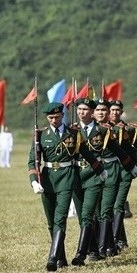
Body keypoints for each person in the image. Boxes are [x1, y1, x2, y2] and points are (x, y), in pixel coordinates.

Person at [27, 102, 107, 272]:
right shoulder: (41, 135)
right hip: (48, 180)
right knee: (51, 222)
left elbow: (86, 153)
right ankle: (61, 258)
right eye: (50, 117)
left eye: (57, 117)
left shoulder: (74, 133)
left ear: (62, 115)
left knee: (60, 218)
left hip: (67, 178)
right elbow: (32, 160)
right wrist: (34, 180)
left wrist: (100, 170)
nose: (54, 120)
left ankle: (52, 258)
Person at [71, 98, 137, 265]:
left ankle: (103, 246)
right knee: (91, 213)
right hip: (82, 173)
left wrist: (134, 168)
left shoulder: (108, 131)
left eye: (103, 110)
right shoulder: (73, 130)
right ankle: (99, 246)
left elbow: (125, 150)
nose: (101, 113)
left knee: (105, 210)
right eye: (98, 109)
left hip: (106, 172)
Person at [108, 100, 137, 251]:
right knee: (109, 206)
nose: (114, 112)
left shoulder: (130, 130)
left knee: (118, 205)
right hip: (109, 171)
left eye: (117, 110)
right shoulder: (102, 129)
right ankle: (121, 239)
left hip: (125, 170)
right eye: (112, 110)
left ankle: (115, 240)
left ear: (121, 112)